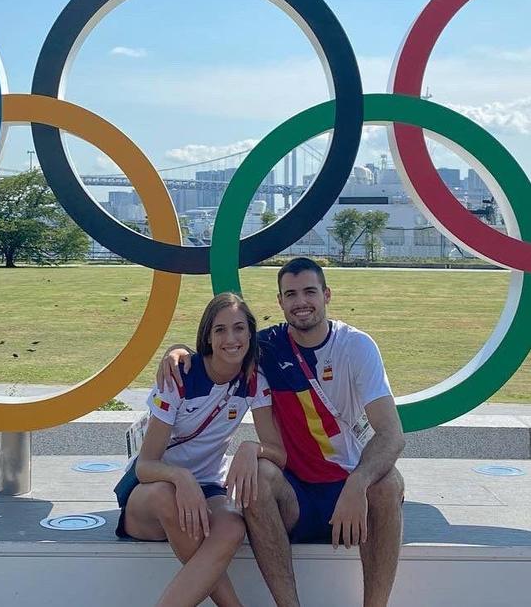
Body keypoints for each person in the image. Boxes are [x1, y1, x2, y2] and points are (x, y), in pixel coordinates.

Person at [157, 257, 406, 607]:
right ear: (280, 302)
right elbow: (220, 346)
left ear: (327, 295)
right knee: (257, 476)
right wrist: (175, 351)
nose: (300, 302)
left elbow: (391, 434)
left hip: (348, 491)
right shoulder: (266, 347)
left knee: (389, 482)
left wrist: (358, 482)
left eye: (309, 292)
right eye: (291, 294)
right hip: (295, 496)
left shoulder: (357, 346)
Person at [116, 292, 286, 607]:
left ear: (250, 332)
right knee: (170, 500)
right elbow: (146, 465)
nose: (231, 338)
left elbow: (278, 452)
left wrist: (251, 447)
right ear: (207, 337)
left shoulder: (253, 379)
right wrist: (181, 478)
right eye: (220, 329)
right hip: (153, 493)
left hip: (208, 488)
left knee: (234, 525)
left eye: (238, 328)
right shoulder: (179, 376)